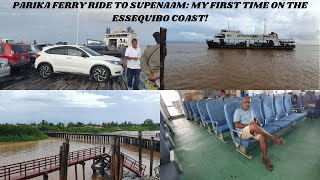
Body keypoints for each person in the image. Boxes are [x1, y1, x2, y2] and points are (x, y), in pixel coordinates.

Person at [234, 97, 285, 171]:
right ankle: (272, 138)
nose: (248, 104)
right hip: (242, 132)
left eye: (249, 102)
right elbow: (237, 125)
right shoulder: (238, 111)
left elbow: (255, 119)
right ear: (242, 102)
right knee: (253, 125)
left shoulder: (251, 109)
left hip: (252, 130)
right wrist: (249, 125)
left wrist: (257, 123)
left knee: (262, 137)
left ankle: (265, 159)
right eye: (246, 102)